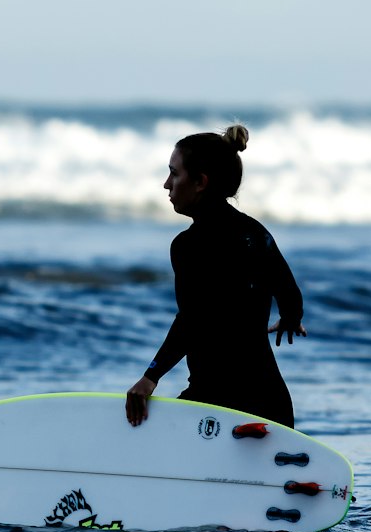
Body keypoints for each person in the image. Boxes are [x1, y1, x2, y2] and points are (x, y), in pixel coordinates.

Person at [125, 124, 306, 428]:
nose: (167, 184)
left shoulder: (188, 246)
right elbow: (290, 293)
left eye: (174, 173)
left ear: (200, 182)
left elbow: (191, 320)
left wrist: (150, 376)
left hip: (216, 404)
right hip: (271, 403)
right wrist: (290, 318)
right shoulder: (257, 234)